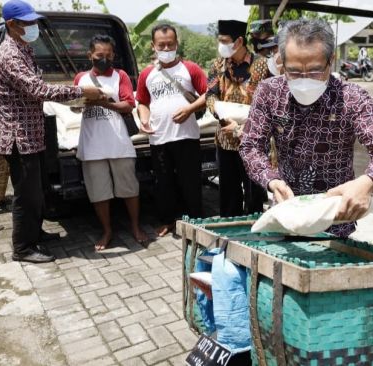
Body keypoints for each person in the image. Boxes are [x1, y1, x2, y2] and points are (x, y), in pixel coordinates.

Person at [239, 19, 373, 237]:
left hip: (336, 222)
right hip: (287, 217)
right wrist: (271, 180)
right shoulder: (269, 93)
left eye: (315, 72)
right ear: (281, 64)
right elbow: (250, 145)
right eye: (294, 72)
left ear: (330, 62)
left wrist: (368, 181)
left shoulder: (351, 97)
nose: (304, 80)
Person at [0, 0, 103, 263]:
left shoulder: (24, 49)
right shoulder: (9, 54)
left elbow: (38, 86)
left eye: (34, 21)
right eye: (28, 23)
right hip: (19, 137)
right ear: (12, 25)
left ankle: (35, 233)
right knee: (26, 195)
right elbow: (39, 90)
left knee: (38, 191)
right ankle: (23, 248)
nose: (34, 27)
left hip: (33, 134)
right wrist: (79, 92)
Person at [73, 35, 148, 250]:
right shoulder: (81, 78)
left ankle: (135, 227)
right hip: (91, 145)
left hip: (118, 142)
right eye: (99, 55)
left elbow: (128, 104)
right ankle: (107, 231)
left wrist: (106, 103)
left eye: (108, 55)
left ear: (113, 55)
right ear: (90, 56)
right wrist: (80, 104)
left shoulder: (120, 76)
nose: (104, 59)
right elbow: (75, 106)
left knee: (129, 188)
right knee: (99, 192)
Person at [137, 24, 208, 237]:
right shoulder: (147, 74)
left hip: (186, 136)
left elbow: (208, 94)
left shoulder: (191, 68)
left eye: (170, 44)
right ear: (153, 46)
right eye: (162, 45)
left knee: (191, 181)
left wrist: (190, 109)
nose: (166, 48)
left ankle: (196, 220)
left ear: (177, 44)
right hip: (159, 138)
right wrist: (144, 119)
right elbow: (142, 101)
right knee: (163, 183)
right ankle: (168, 221)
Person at [207, 19, 270, 217]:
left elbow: (266, 103)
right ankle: (230, 234)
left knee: (254, 194)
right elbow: (210, 95)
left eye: (224, 41)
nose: (221, 45)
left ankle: (254, 234)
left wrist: (244, 125)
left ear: (239, 41)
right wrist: (223, 118)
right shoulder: (218, 65)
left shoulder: (260, 66)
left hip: (252, 140)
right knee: (228, 193)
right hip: (225, 139)